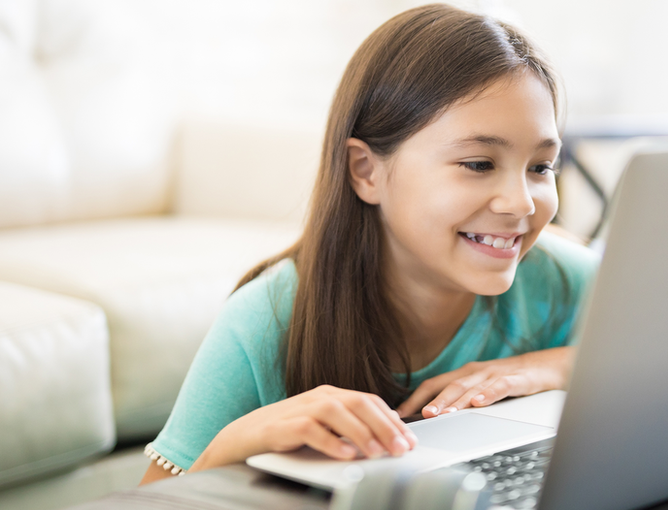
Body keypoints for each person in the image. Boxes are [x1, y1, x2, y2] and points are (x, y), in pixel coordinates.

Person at [140, 3, 600, 485]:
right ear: (366, 171)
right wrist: (239, 440)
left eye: (541, 167)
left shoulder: (568, 280)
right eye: (479, 164)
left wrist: (550, 367)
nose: (521, 203)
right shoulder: (269, 318)